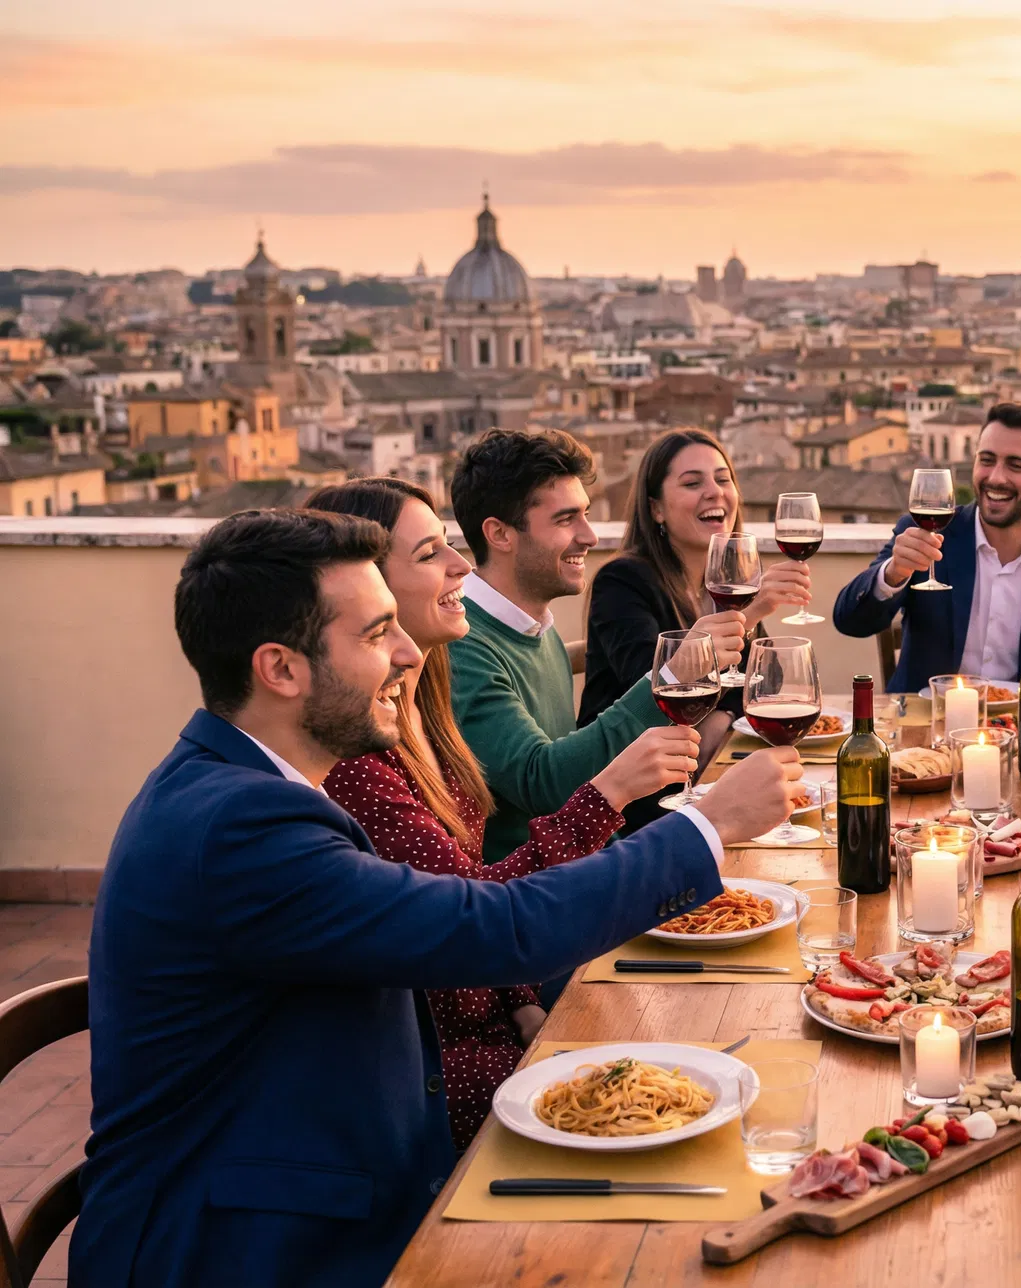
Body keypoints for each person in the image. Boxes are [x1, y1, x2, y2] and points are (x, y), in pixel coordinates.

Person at [76, 509, 805, 1288]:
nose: (402, 654)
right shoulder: (239, 827)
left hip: (327, 1190)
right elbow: (487, 926)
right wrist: (704, 827)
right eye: (373, 634)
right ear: (281, 670)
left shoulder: (251, 789)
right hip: (245, 1249)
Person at [308, 478, 698, 1148]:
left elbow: (465, 884)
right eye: (431, 553)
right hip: (433, 1061)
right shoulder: (359, 758)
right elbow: (467, 918)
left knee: (671, 1034)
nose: (461, 566)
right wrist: (626, 801)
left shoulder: (428, 702)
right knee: (661, 1063)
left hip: (490, 989)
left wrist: (517, 997)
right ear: (366, 590)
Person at [447, 428, 673, 864]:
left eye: (585, 515)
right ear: (499, 534)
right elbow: (543, 782)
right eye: (566, 519)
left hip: (583, 867)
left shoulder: (533, 624)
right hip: (526, 898)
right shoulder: (462, 645)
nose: (589, 536)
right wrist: (671, 679)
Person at [833, 400, 1021, 694]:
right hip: (926, 726)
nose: (996, 477)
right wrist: (893, 573)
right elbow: (849, 622)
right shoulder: (925, 534)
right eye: (986, 460)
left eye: (1015, 465)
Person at [579, 428, 805, 728]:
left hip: (700, 761)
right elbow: (653, 694)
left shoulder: (728, 581)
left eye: (723, 479)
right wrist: (750, 614)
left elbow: (766, 684)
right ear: (656, 508)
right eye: (692, 483)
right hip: (625, 766)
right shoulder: (621, 581)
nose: (715, 492)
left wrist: (721, 718)